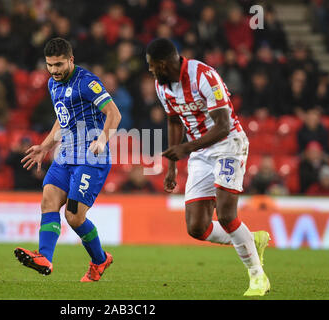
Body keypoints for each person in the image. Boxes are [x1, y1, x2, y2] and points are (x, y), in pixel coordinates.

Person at [146, 38, 270, 296]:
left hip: (228, 145)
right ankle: (250, 239)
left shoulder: (204, 76)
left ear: (164, 63)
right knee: (196, 227)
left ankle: (258, 276)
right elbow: (173, 121)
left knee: (226, 215)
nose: (150, 71)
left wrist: (185, 148)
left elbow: (223, 125)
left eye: (152, 66)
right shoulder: (162, 86)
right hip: (199, 152)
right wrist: (172, 166)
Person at [14, 38, 121, 282]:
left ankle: (100, 260)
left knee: (74, 217)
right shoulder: (53, 84)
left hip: (91, 157)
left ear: (71, 60)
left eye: (59, 64)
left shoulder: (87, 82)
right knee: (48, 200)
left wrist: (103, 139)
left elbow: (114, 113)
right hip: (65, 155)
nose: (54, 70)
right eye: (50, 65)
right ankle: (45, 258)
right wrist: (45, 146)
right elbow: (63, 119)